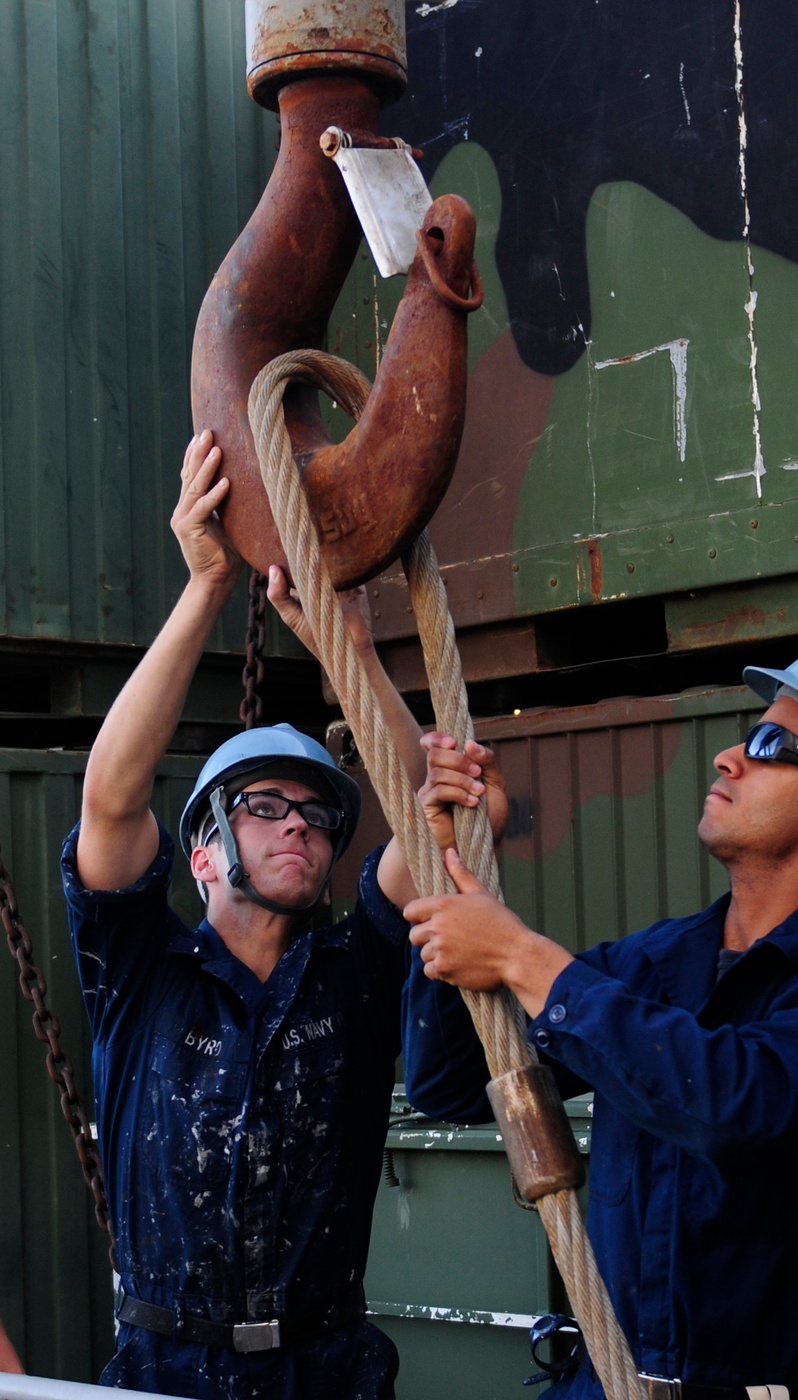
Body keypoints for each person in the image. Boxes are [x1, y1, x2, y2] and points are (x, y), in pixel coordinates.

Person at [401, 632, 798, 1400]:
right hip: (598, 1384)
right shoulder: (660, 963)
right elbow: (452, 1083)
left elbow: (736, 1108)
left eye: (772, 744)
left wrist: (524, 960)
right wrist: (449, 868)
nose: (727, 758)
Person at [62, 430, 433, 1400]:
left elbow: (426, 811)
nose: (298, 827)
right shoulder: (140, 972)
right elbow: (110, 799)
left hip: (330, 1368)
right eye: (263, 807)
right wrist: (205, 587)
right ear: (201, 853)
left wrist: (339, 646)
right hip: (165, 1369)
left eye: (316, 814)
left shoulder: (356, 971)